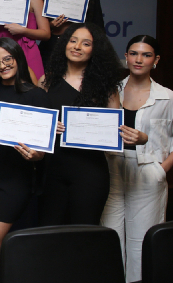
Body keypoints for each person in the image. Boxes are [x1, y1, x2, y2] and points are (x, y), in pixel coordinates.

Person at [101, 35, 173, 283]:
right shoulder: (111, 91)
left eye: (146, 55)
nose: (138, 59)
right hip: (112, 169)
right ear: (126, 56)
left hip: (147, 173)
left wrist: (161, 170)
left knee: (141, 240)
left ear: (156, 60)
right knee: (109, 235)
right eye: (133, 53)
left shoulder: (169, 98)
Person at [0, 37, 54, 280]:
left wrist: (37, 155)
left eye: (7, 59)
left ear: (18, 58)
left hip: (13, 181)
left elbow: (45, 150)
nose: (2, 65)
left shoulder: (37, 96)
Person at [40, 23, 124, 226]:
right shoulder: (46, 82)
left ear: (95, 50)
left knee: (84, 234)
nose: (77, 47)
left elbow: (115, 130)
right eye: (73, 41)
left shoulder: (106, 88)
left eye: (86, 43)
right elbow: (36, 125)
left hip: (90, 171)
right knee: (50, 234)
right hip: (51, 171)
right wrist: (48, 127)